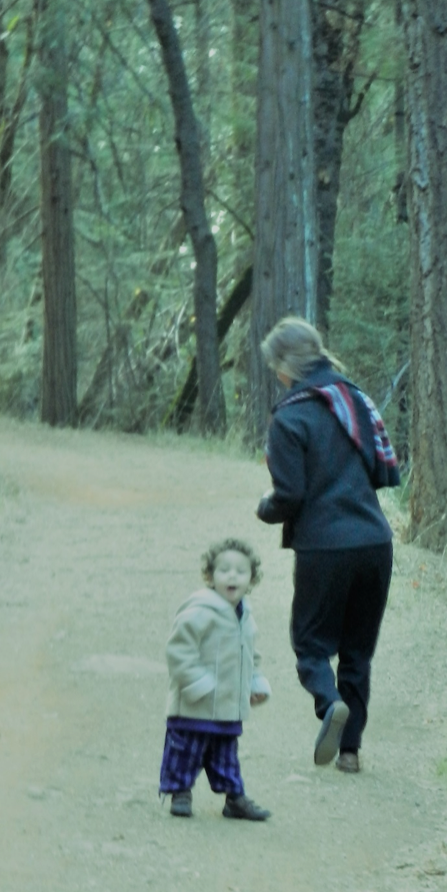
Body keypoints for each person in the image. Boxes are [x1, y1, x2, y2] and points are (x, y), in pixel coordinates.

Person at [256, 317, 400, 774]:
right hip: (376, 542)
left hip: (325, 547)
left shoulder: (290, 416)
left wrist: (266, 508)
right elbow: (380, 468)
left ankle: (329, 702)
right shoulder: (354, 399)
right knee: (358, 651)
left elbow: (290, 495)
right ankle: (351, 752)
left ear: (285, 366)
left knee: (311, 645)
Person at [159, 537, 272, 820]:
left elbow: (250, 655)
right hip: (194, 704)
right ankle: (180, 792)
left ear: (251, 579)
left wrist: (254, 683)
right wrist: (198, 681)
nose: (232, 575)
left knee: (225, 755)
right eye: (224, 570)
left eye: (240, 571)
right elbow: (178, 650)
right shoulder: (199, 610)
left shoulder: (246, 616)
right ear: (210, 576)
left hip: (226, 705)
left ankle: (234, 798)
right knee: (185, 749)